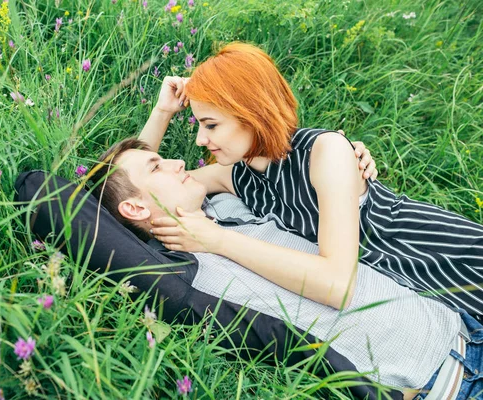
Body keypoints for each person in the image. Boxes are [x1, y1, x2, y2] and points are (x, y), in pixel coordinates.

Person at [88, 137, 483, 400]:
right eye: (158, 166)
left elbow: (132, 190)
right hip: (446, 385)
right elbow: (106, 219)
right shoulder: (184, 270)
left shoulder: (226, 206)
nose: (177, 162)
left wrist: (344, 154)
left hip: (465, 328)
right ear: (136, 209)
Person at [140, 42, 483, 318]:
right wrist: (162, 111)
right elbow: (132, 183)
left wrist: (214, 239)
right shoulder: (235, 176)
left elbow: (336, 285)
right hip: (433, 302)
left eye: (211, 125)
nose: (201, 140)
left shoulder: (324, 152)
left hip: (453, 259)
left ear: (252, 113)